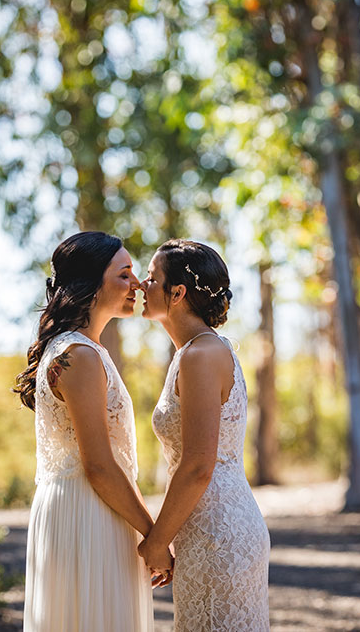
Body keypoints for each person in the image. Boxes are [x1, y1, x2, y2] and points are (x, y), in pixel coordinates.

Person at [13, 231, 160, 632]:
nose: (138, 285)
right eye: (124, 274)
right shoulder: (78, 355)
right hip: (88, 512)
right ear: (92, 284)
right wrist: (154, 535)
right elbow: (98, 464)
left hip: (85, 506)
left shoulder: (78, 350)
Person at [138, 238, 271, 631]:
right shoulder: (196, 352)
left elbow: (198, 464)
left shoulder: (201, 355)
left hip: (218, 535)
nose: (142, 286)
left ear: (176, 293)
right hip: (205, 530)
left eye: (151, 278)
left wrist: (158, 540)